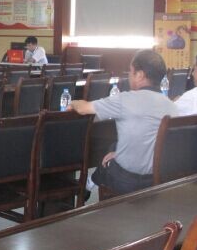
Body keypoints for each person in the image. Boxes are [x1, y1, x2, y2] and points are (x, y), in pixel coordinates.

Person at [67, 50, 178, 195]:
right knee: (113, 150)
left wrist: (72, 102)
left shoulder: (125, 99)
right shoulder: (171, 105)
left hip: (128, 181)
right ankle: (91, 183)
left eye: (131, 72)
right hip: (159, 179)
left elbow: (83, 109)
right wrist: (119, 153)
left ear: (140, 75)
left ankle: (87, 188)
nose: (129, 76)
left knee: (108, 157)